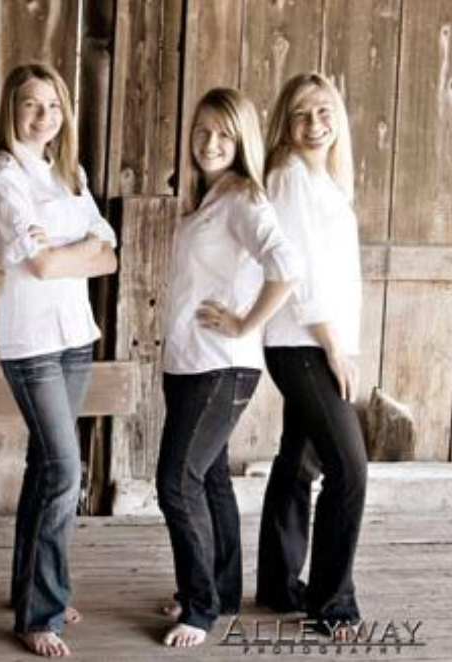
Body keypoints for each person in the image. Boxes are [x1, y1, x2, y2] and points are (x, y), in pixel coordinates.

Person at [0, 63, 117, 658]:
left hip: (75, 335)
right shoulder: (2, 176)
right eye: (31, 105)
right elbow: (38, 265)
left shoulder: (70, 173)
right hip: (32, 341)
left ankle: (33, 588)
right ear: (11, 109)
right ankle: (41, 612)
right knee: (66, 470)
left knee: (46, 466)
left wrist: (75, 250)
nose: (43, 117)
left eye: (53, 106)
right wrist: (80, 248)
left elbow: (110, 254)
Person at [156, 88, 300, 648]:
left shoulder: (243, 197)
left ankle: (198, 608)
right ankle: (216, 588)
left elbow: (286, 268)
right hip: (189, 362)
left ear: (241, 143)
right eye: (202, 130)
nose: (210, 142)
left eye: (224, 134)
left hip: (222, 365)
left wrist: (245, 324)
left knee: (176, 482)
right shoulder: (207, 196)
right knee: (210, 479)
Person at [255, 72, 367, 634]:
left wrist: (343, 344)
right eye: (302, 114)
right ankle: (332, 604)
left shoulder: (325, 182)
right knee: (350, 468)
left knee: (299, 462)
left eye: (324, 113)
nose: (315, 124)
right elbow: (298, 274)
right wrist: (333, 349)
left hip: (318, 342)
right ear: (286, 122)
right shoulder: (290, 176)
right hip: (303, 342)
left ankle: (278, 585)